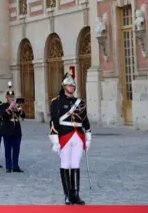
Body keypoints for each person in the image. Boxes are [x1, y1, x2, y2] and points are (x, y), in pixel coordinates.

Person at [49, 67, 91, 205]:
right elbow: (54, 120)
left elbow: (85, 120)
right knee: (65, 164)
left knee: (76, 164)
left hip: (78, 135)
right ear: (64, 86)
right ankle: (67, 194)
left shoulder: (81, 103)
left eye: (73, 85)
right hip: (64, 136)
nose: (71, 87)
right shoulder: (56, 102)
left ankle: (76, 194)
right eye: (69, 85)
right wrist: (55, 140)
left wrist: (88, 136)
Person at [0, 81, 25, 173]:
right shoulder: (3, 106)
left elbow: (23, 116)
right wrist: (10, 107)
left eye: (12, 97)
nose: (11, 98)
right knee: (8, 149)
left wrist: (21, 110)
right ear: (6, 98)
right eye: (9, 97)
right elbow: (2, 115)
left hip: (17, 131)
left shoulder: (17, 105)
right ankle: (8, 166)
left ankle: (15, 166)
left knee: (16, 150)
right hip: (7, 130)